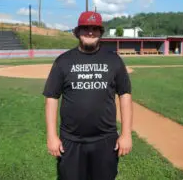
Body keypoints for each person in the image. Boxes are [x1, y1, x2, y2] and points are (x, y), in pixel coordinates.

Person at [43, 11, 133, 180]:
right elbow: (51, 98)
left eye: (95, 28)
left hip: (106, 140)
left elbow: (125, 95)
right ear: (77, 32)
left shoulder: (114, 60)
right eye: (85, 28)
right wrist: (52, 136)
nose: (90, 32)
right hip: (71, 141)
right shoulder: (63, 61)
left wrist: (127, 134)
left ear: (101, 32)